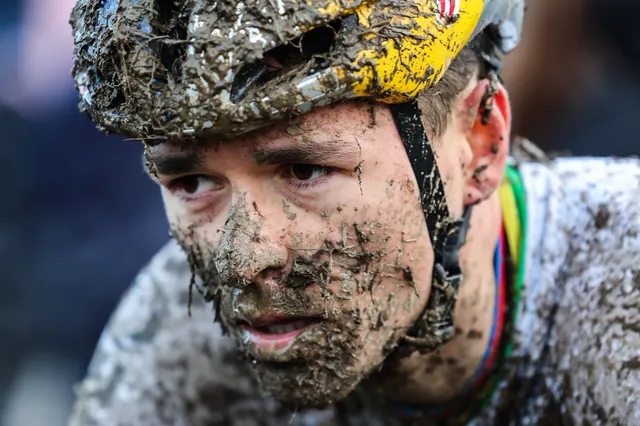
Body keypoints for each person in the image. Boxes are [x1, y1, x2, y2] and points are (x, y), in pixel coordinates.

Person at [67, 0, 640, 425]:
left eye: (306, 172)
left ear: (481, 141)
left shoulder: (622, 294)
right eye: (192, 181)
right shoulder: (178, 349)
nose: (243, 261)